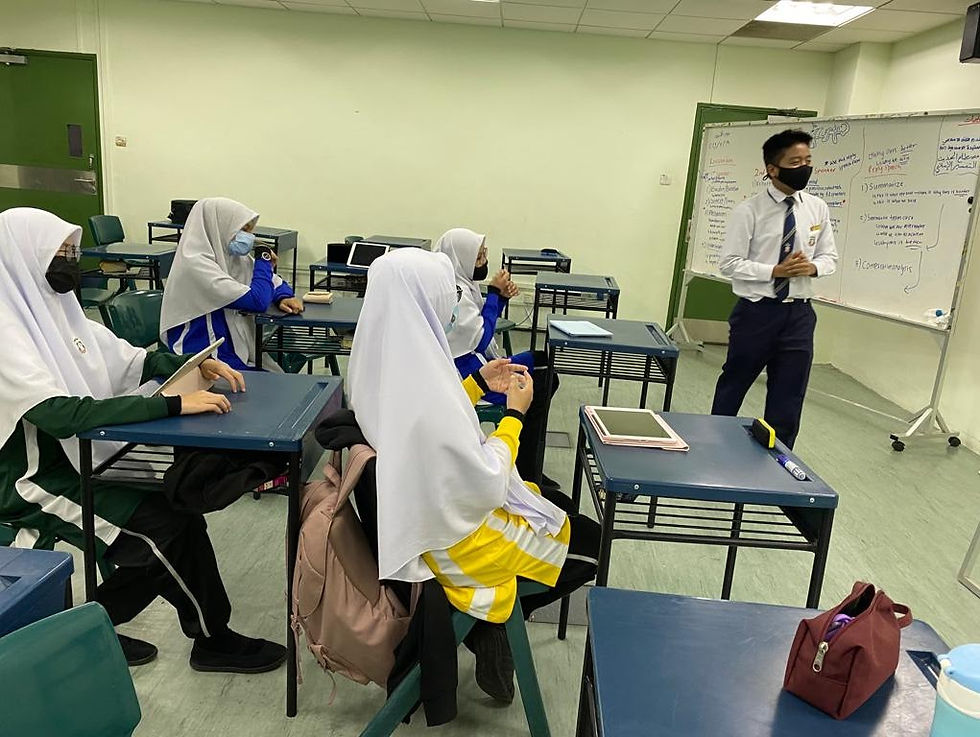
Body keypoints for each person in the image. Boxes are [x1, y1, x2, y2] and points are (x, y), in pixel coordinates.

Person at [0, 207, 286, 673]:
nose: (70, 262)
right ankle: (196, 639)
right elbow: (59, 414)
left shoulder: (56, 310)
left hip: (80, 458)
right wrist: (172, 404)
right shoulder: (6, 329)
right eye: (59, 253)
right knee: (161, 531)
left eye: (72, 251)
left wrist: (191, 365)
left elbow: (130, 359)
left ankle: (88, 630)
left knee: (180, 515)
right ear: (23, 258)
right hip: (29, 479)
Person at [348, 247, 599, 704]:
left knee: (554, 507)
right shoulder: (425, 383)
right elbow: (486, 481)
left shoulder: (383, 364)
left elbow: (422, 432)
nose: (451, 312)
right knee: (593, 544)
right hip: (458, 540)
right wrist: (515, 415)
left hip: (424, 521)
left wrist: (477, 384)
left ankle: (490, 627)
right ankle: (490, 625)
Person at [711, 129, 838, 449]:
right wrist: (775, 271)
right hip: (757, 312)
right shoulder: (749, 211)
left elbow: (830, 258)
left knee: (789, 393)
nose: (804, 167)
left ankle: (780, 459)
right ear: (773, 169)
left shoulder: (817, 208)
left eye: (808, 160)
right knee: (734, 383)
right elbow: (729, 263)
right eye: (795, 162)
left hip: (799, 314)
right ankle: (713, 445)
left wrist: (812, 267)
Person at [434, 228, 558, 485]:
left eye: (484, 254)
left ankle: (526, 458)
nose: (484, 261)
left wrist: (500, 298)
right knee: (541, 383)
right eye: (478, 257)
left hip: (475, 363)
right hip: (467, 374)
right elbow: (480, 339)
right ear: (461, 258)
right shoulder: (454, 292)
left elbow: (479, 325)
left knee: (542, 362)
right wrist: (494, 294)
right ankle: (526, 468)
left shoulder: (463, 283)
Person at [160, 197, 304, 371]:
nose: (248, 237)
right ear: (219, 227)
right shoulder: (195, 265)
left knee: (278, 376)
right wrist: (264, 259)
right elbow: (257, 300)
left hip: (230, 347)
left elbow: (274, 282)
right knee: (273, 381)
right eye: (243, 229)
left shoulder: (230, 257)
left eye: (250, 230)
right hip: (202, 354)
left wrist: (283, 296)